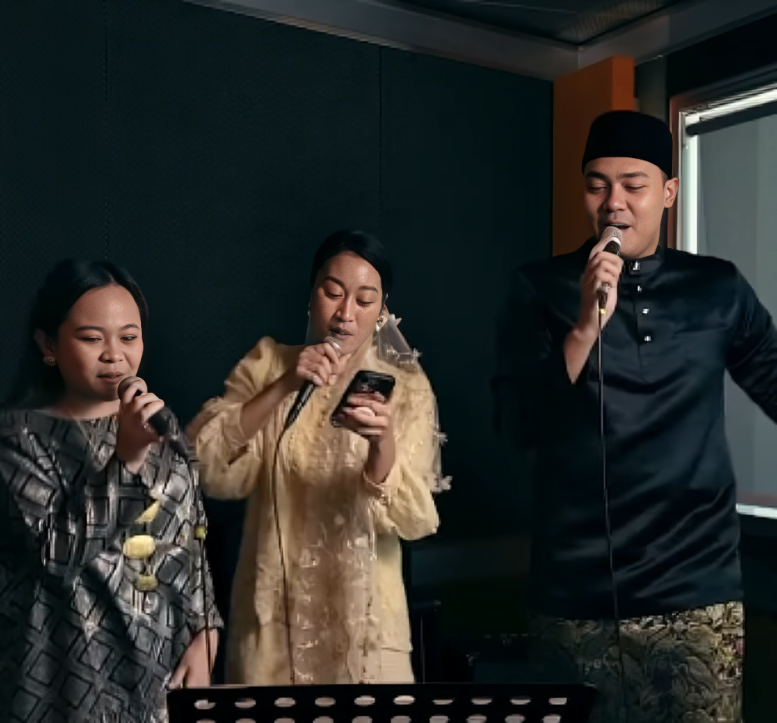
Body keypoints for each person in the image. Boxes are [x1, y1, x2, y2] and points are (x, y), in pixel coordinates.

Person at [493, 110, 775, 723]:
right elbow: (517, 426)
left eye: (633, 185)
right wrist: (585, 326)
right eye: (597, 185)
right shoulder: (538, 286)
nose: (613, 203)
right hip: (574, 598)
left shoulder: (718, 286)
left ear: (668, 192)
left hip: (697, 594)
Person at [188, 229, 447, 686]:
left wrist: (382, 442)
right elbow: (206, 465)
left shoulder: (407, 387)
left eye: (364, 300)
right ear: (312, 296)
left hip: (368, 630)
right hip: (273, 629)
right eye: (333, 293)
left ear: (382, 312)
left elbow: (413, 519)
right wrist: (284, 384)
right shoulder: (268, 363)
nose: (346, 313)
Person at [0, 260, 222, 723]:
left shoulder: (158, 429)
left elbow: (191, 545)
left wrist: (205, 631)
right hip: (64, 681)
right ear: (48, 346)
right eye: (91, 338)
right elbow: (56, 555)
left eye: (128, 336)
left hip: (158, 685)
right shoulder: (18, 438)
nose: (114, 355)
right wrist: (128, 458)